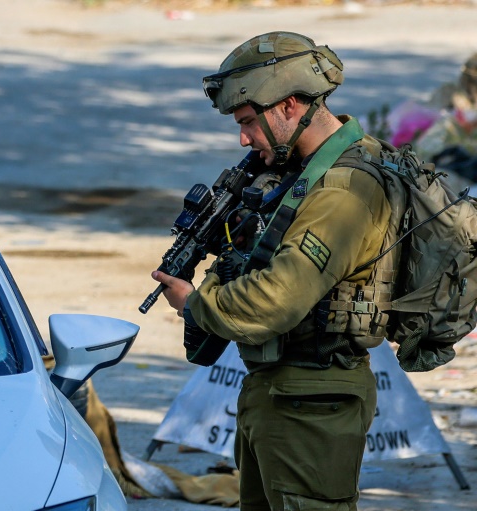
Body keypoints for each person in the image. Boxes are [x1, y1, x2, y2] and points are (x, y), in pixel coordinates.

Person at [151, 31, 393, 510]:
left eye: (248, 122)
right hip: (282, 392)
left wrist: (196, 304)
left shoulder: (343, 190)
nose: (243, 138)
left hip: (313, 401)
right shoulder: (301, 174)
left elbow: (278, 298)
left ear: (288, 106)